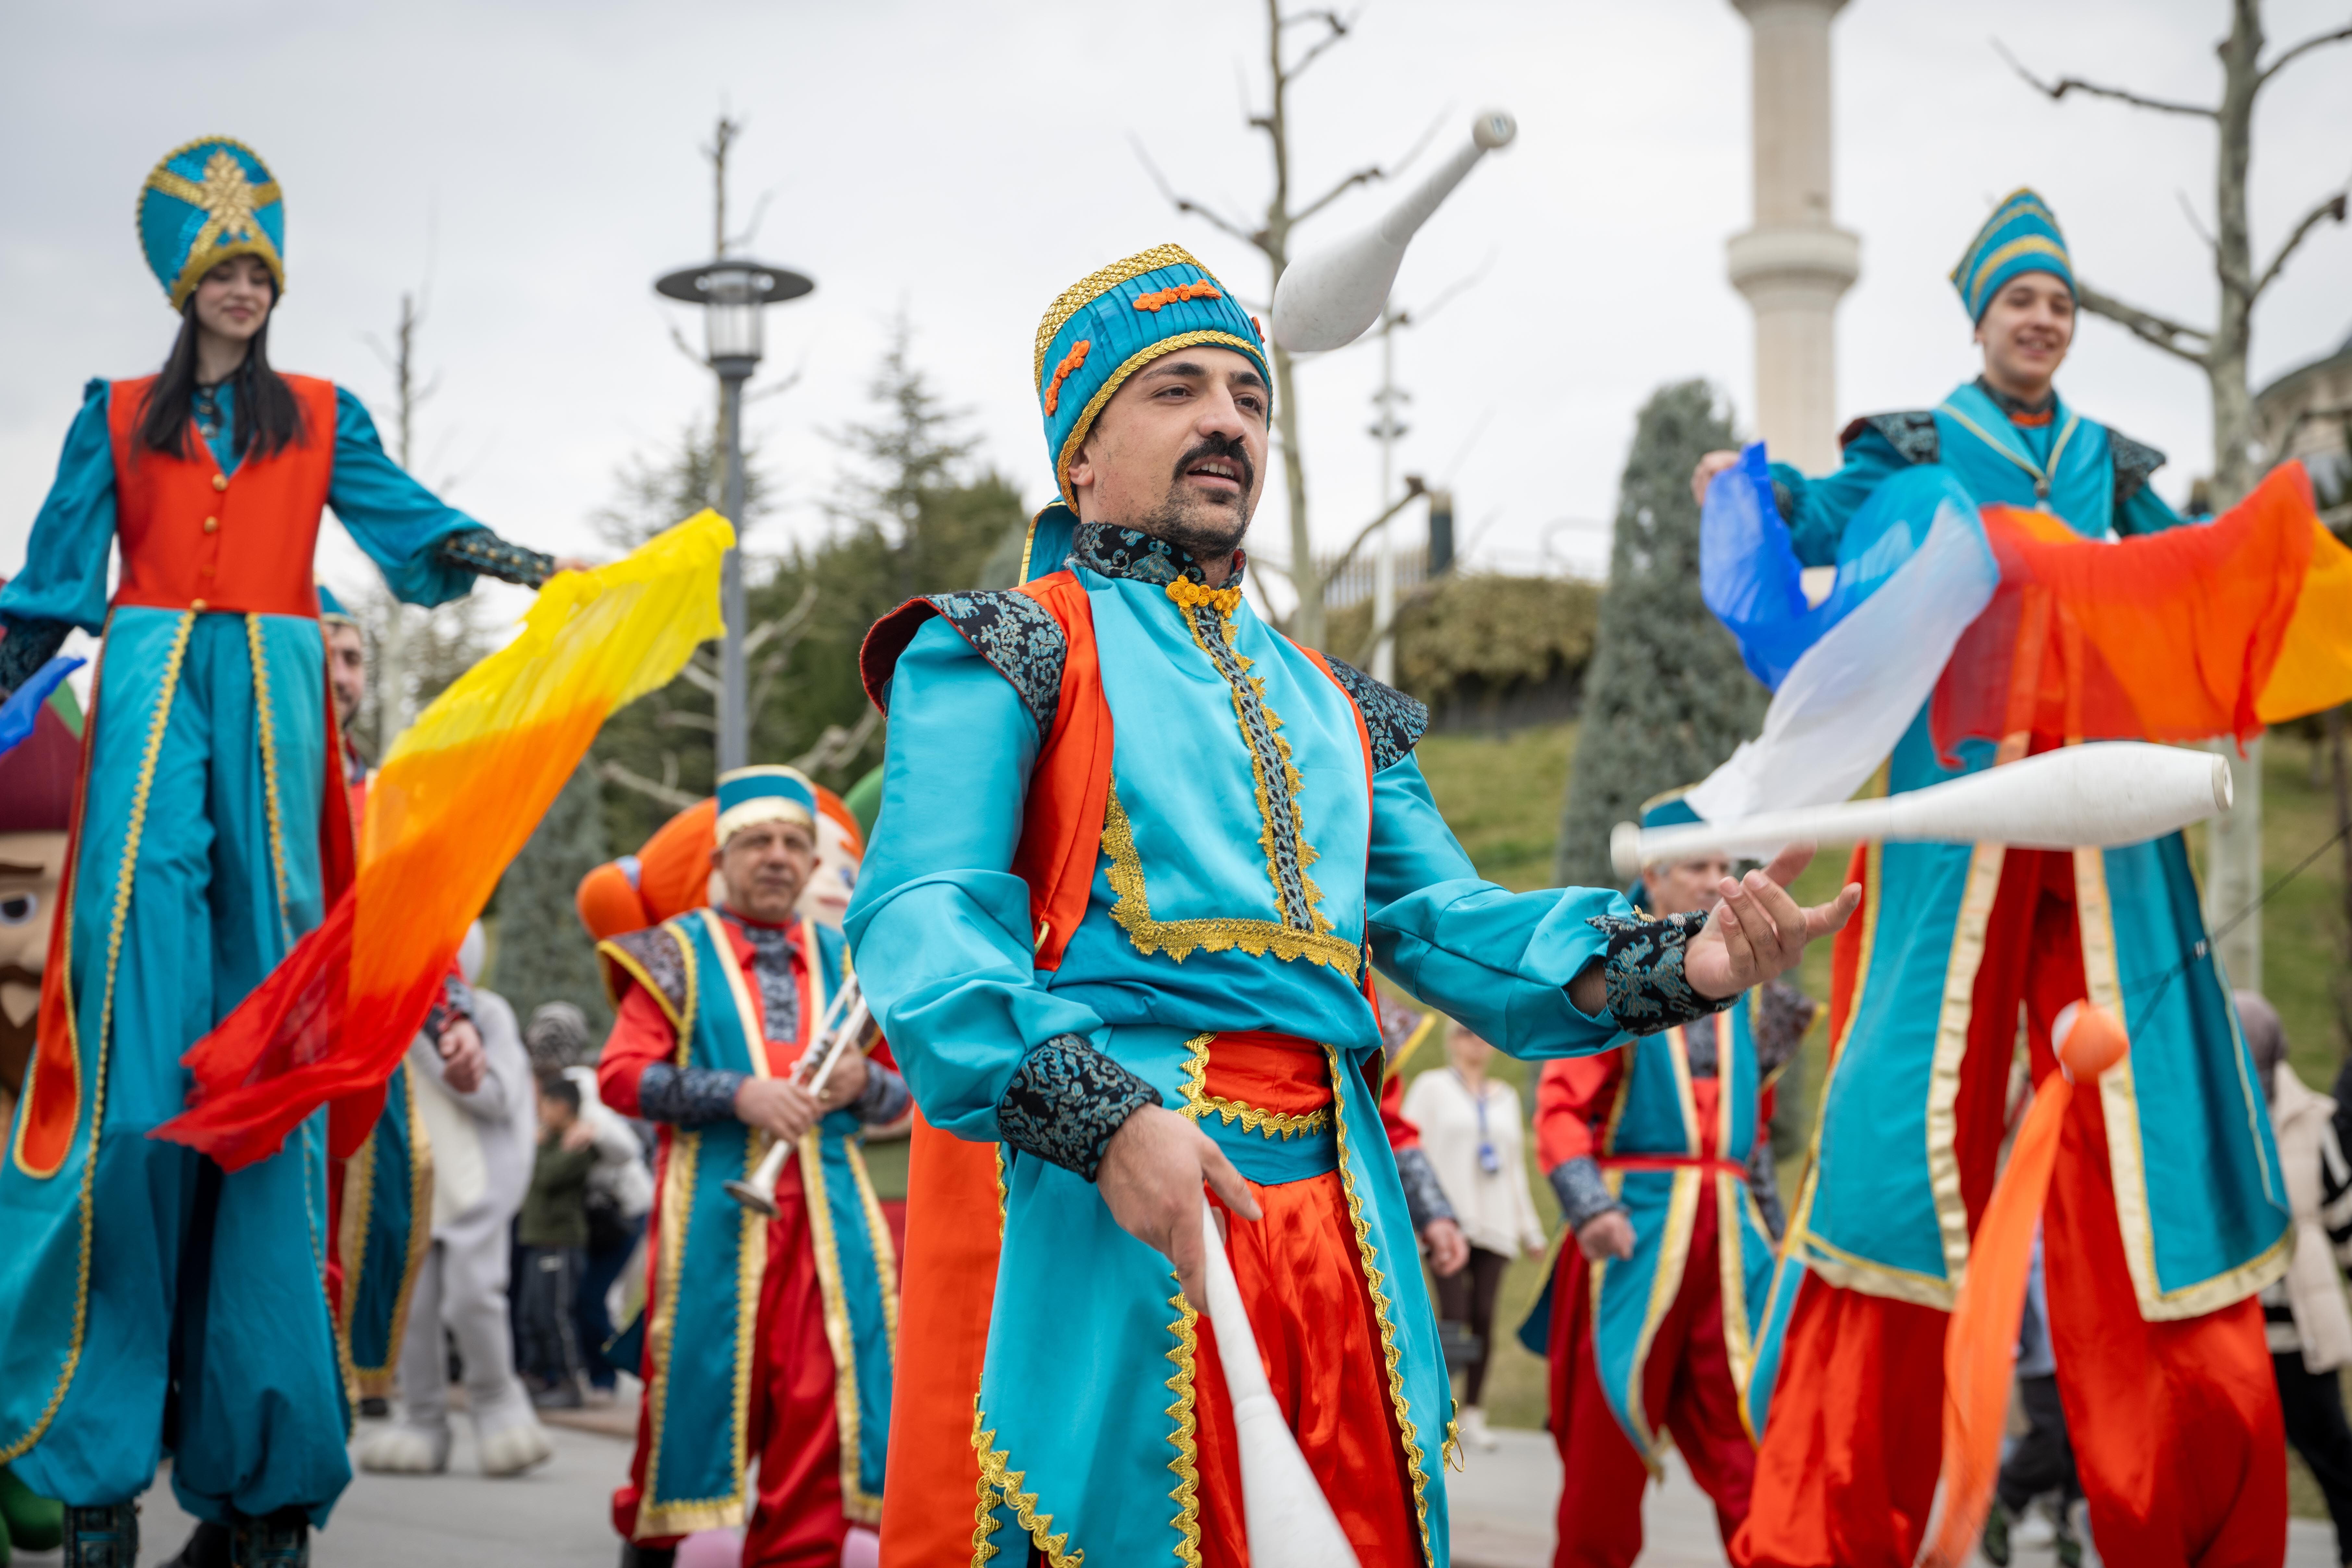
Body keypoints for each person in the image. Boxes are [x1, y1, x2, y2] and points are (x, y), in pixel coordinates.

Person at [846, 243, 1854, 1563]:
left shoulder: (1335, 705)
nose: (1225, 419)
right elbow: (922, 926)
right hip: (1135, 1190)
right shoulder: (1000, 646)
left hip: (1346, 1221)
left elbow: (1447, 926)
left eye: (1248, 398)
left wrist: (1690, 958)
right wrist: (1099, 1118)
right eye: (1175, 391)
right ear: (1077, 456)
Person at [0, 136, 580, 1565]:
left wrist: (521, 565)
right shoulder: (117, 411)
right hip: (146, 699)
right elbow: (56, 579)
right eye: (225, 271)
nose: (247, 290)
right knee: (135, 1105)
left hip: (268, 717)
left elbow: (411, 527)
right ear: (186, 285)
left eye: (263, 269)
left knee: (268, 1106)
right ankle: (90, 1476)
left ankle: (260, 1479)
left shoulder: (317, 414)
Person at [1693, 191, 2290, 1568]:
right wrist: (1741, 490)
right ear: (1978, 319)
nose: (2041, 318)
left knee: (2141, 1139)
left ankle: (2178, 1508)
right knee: (1904, 1132)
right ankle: (1835, 1523)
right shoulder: (1913, 457)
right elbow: (1806, 520)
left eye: (2060, 303)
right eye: (2020, 298)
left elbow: (2188, 566)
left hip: (2100, 834)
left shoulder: (2110, 466)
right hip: (1959, 817)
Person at [596, 766, 907, 1568]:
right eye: (759, 841)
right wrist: (742, 1095)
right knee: (690, 1415)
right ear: (723, 857)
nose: (777, 857)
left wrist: (861, 1082)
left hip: (831, 1227)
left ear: (814, 865)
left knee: (822, 1418)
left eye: (795, 844)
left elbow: (906, 1101)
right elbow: (621, 1077)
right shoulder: (671, 953)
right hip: (712, 1217)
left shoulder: (853, 961)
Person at [1531, 802, 1812, 1568]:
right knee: (1603, 1456)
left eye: (1720, 866)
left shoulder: (1748, 992)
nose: (1711, 881)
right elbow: (1562, 1107)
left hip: (1730, 1251)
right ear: (1652, 876)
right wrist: (1589, 1208)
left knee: (1752, 1441)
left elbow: (1751, 1137)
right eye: (1693, 866)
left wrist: (1773, 1236)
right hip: (1635, 1239)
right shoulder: (1613, 975)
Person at [358, 923, 553, 1479]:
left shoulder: (485, 1014)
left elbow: (495, 1097)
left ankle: (499, 1406)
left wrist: (421, 1044)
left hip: (473, 1190)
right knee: (414, 1313)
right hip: (416, 1193)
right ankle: (422, 1418)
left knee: (472, 1298)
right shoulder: (382, 1011)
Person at [2241, 993, 2352, 1568]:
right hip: (2235, 1336)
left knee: (2331, 1450)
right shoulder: (2214, 1112)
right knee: (2238, 1471)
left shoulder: (2311, 1119)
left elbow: (2343, 1211)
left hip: (2300, 1332)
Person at [1400, 1018, 1545, 1452]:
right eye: (1464, 1031)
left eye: (1481, 1032)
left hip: (1495, 1222)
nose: (1474, 1041)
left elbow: (1515, 1169)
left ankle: (1475, 1413)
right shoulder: (1430, 1087)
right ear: (1450, 1040)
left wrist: (1531, 1229)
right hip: (1447, 1221)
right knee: (1451, 1312)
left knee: (1483, 1313)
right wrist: (1414, 1213)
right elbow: (1408, 1148)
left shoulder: (1504, 1097)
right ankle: (1433, 1408)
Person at [525, 1000, 655, 1403]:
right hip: (584, 1215)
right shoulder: (539, 1091)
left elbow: (626, 1148)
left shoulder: (581, 1088)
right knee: (571, 1298)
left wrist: (590, 1131)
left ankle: (604, 1378)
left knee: (590, 1297)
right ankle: (579, 1373)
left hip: (621, 1213)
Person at [518, 1075, 597, 1407]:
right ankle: (536, 1377)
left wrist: (538, 1147)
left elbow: (547, 1176)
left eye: (547, 1103)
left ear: (563, 1107)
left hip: (561, 1241)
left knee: (556, 1315)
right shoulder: (550, 1139)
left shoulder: (578, 1143)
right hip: (538, 1239)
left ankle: (570, 1382)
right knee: (530, 1312)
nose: (542, 1111)